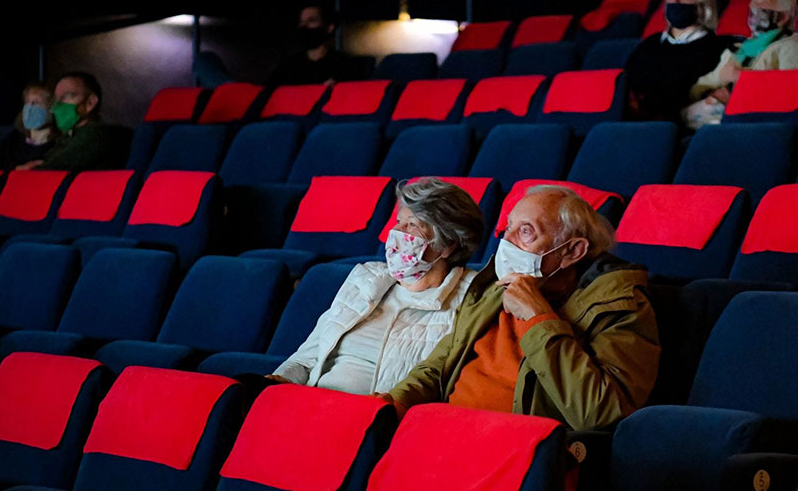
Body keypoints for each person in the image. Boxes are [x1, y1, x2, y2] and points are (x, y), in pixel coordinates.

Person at [381, 185, 660, 431]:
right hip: (446, 432)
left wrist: (539, 317)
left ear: (572, 251)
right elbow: (437, 368)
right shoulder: (492, 289)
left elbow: (601, 413)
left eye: (526, 231)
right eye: (508, 228)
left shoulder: (621, 306)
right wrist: (393, 404)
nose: (506, 242)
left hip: (520, 450)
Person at [267, 178, 485, 395]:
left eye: (412, 225)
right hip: (310, 403)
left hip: (377, 417)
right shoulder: (365, 279)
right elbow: (307, 358)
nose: (396, 232)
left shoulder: (470, 301)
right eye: (398, 221)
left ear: (447, 245)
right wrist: (276, 383)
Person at [684, 0, 798, 129]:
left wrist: (743, 79)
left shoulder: (792, 43)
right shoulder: (741, 48)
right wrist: (708, 92)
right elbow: (708, 81)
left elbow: (792, 89)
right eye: (753, 4)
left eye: (762, 4)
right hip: (720, 110)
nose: (754, 9)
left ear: (783, 16)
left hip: (756, 119)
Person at [623, 0, 733, 122]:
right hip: (635, 121)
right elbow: (627, 83)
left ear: (701, 6)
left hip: (680, 126)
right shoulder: (650, 44)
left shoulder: (715, 48)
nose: (676, 1)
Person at [19, 72, 124, 171]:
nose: (58, 105)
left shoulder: (95, 135)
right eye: (56, 99)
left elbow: (52, 169)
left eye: (67, 96)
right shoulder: (69, 136)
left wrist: (26, 170)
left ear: (90, 103)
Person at [267, 4, 364, 87]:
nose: (303, 26)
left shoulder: (345, 65)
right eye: (301, 22)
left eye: (311, 20)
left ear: (329, 28)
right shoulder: (289, 66)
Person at [0, 82, 56, 169]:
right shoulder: (14, 138)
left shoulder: (58, 142)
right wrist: (18, 168)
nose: (29, 107)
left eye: (36, 103)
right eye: (27, 102)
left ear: (51, 108)